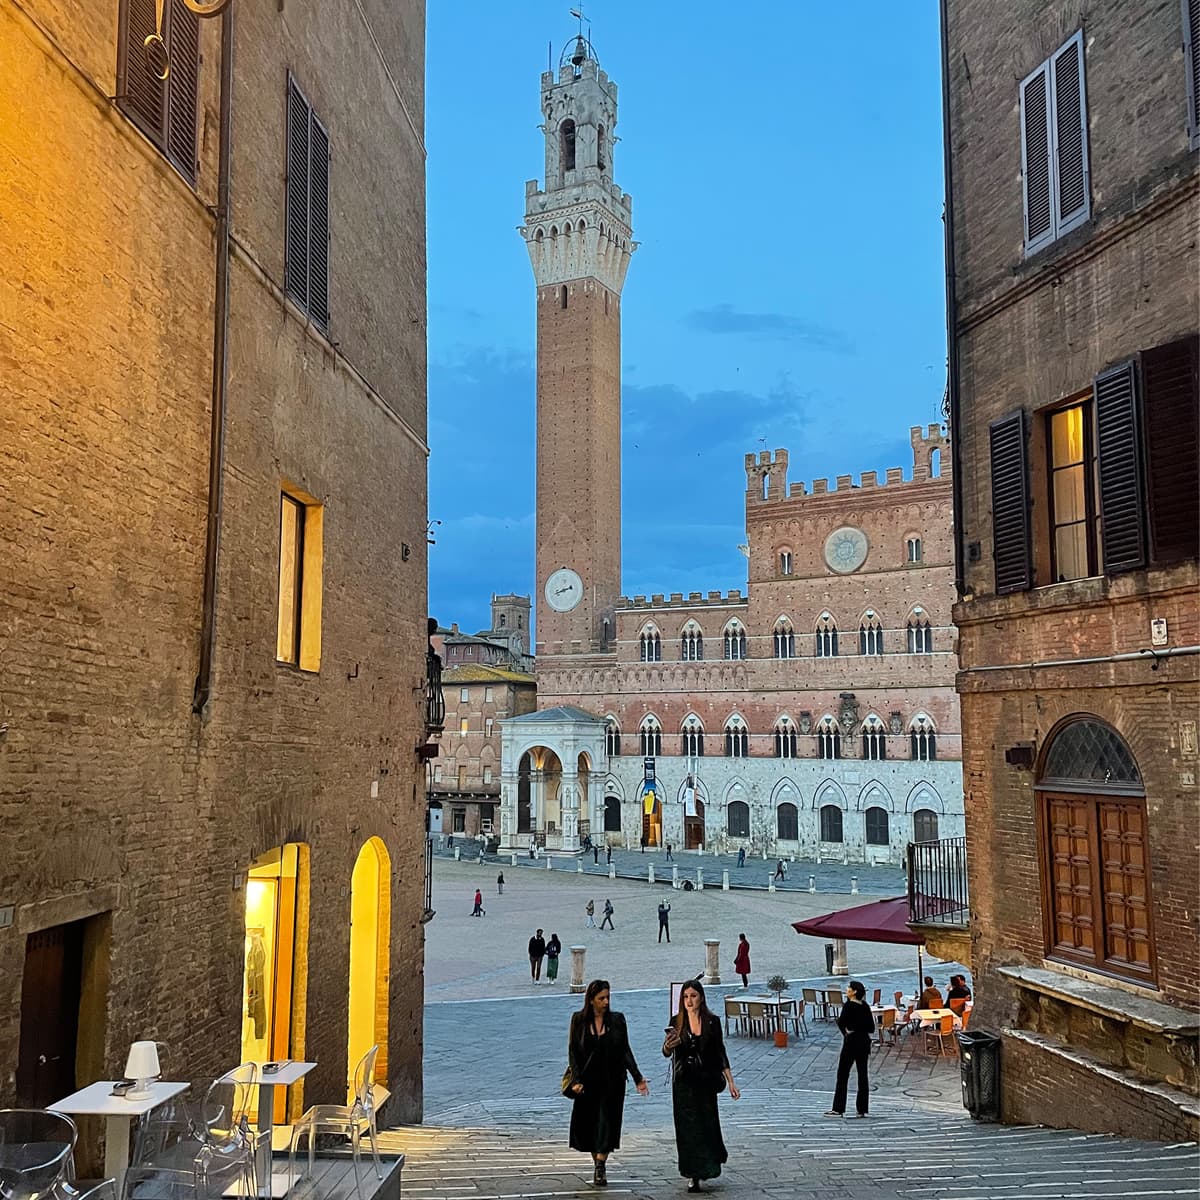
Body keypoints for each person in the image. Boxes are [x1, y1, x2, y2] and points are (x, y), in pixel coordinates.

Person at [565, 979, 649, 1188]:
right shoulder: (578, 1020)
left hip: (612, 1082)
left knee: (606, 1124)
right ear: (591, 1000)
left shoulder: (617, 1020)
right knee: (591, 1128)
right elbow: (573, 1052)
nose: (605, 1002)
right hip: (587, 1083)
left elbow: (625, 1050)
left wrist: (638, 1077)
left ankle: (600, 1165)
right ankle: (598, 1163)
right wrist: (575, 1080)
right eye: (601, 998)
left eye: (608, 997)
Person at [662, 979, 739, 1193]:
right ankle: (692, 1174)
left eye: (693, 996)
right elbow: (666, 1052)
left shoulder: (712, 1022)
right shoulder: (676, 1021)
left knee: (706, 1125)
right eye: (685, 997)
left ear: (701, 998)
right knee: (687, 1130)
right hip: (684, 1083)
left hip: (705, 1081)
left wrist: (731, 1081)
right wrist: (669, 1046)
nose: (689, 1000)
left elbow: (719, 1052)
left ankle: (708, 1165)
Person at [826, 979, 876, 1118]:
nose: (847, 989)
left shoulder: (848, 1006)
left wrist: (847, 1033)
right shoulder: (865, 1006)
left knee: (843, 1074)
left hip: (852, 1041)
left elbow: (841, 1022)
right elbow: (871, 1027)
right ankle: (862, 1109)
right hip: (864, 1041)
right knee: (862, 1075)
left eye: (849, 988)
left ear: (854, 992)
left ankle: (838, 1108)